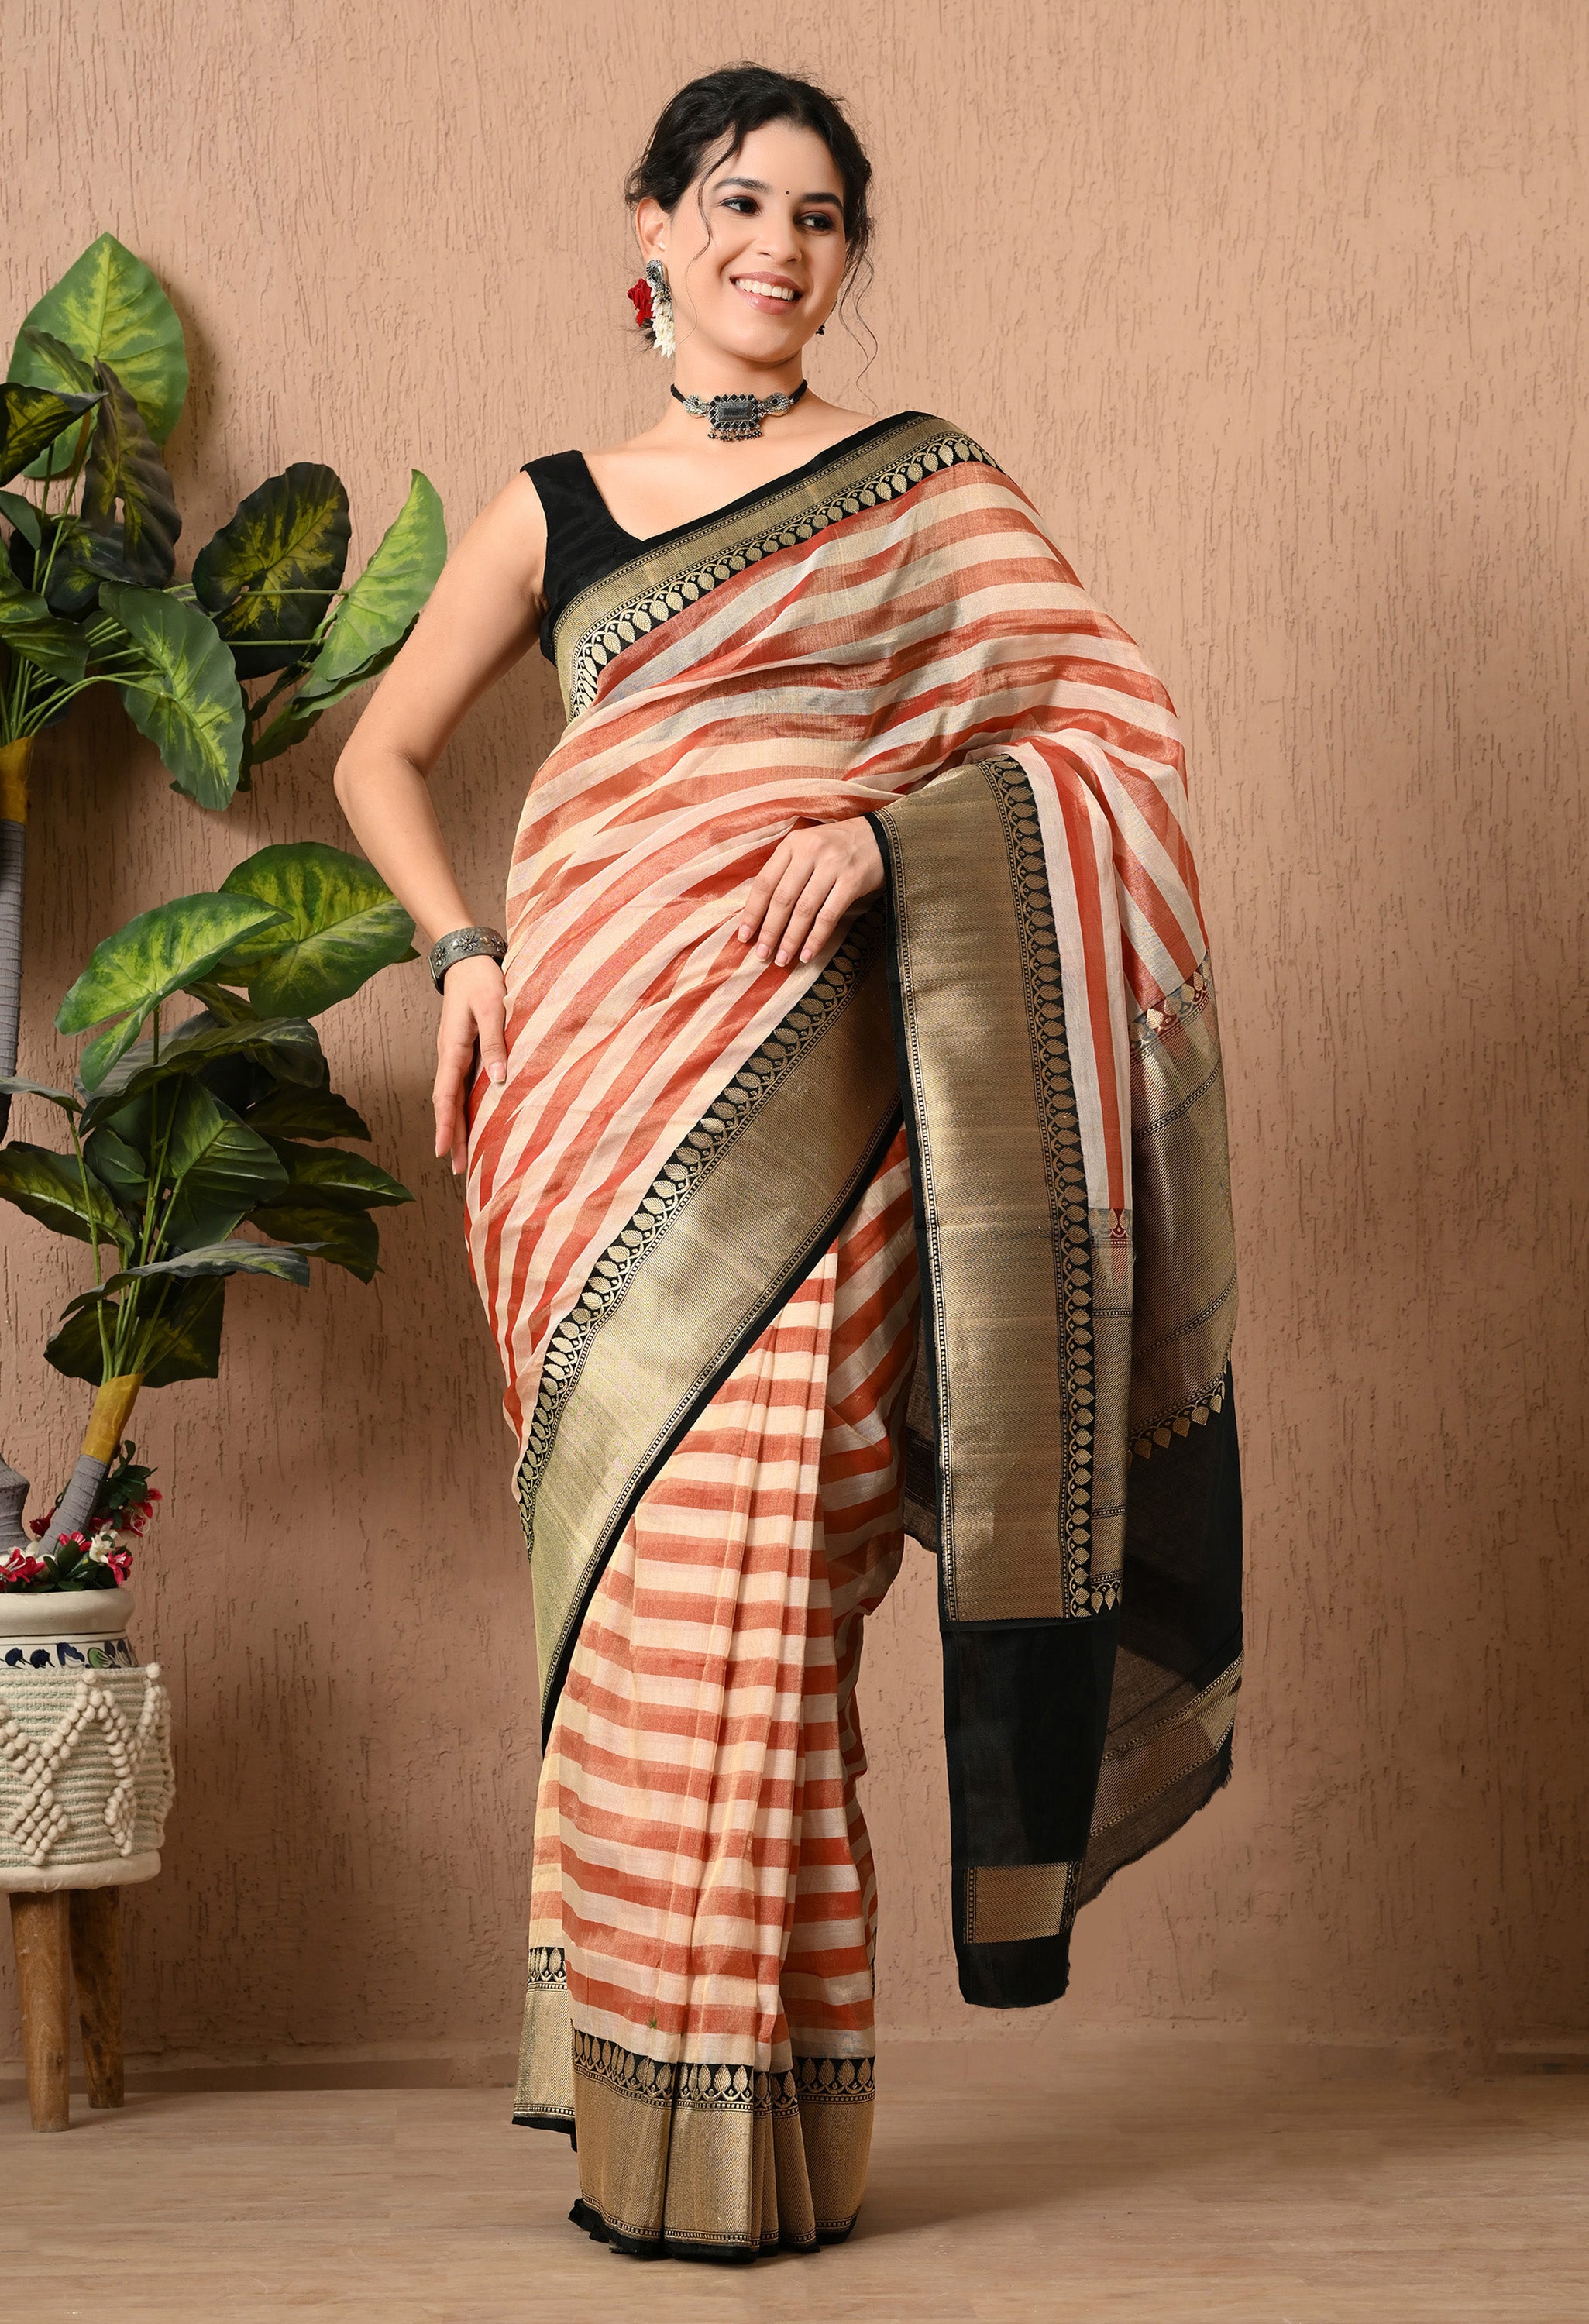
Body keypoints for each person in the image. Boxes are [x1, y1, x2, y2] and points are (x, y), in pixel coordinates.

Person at [333, 62, 1243, 2264]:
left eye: (821, 218)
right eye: (739, 203)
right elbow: (381, 749)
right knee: (641, 1597)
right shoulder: (553, 506)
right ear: (648, 222)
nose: (779, 247)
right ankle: (641, 2114)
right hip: (580, 1100)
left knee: (764, 1593)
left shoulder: (925, 493)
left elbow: (1102, 735)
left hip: (828, 1107)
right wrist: (459, 949)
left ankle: (751, 2150)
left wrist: (877, 831)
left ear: (845, 257)